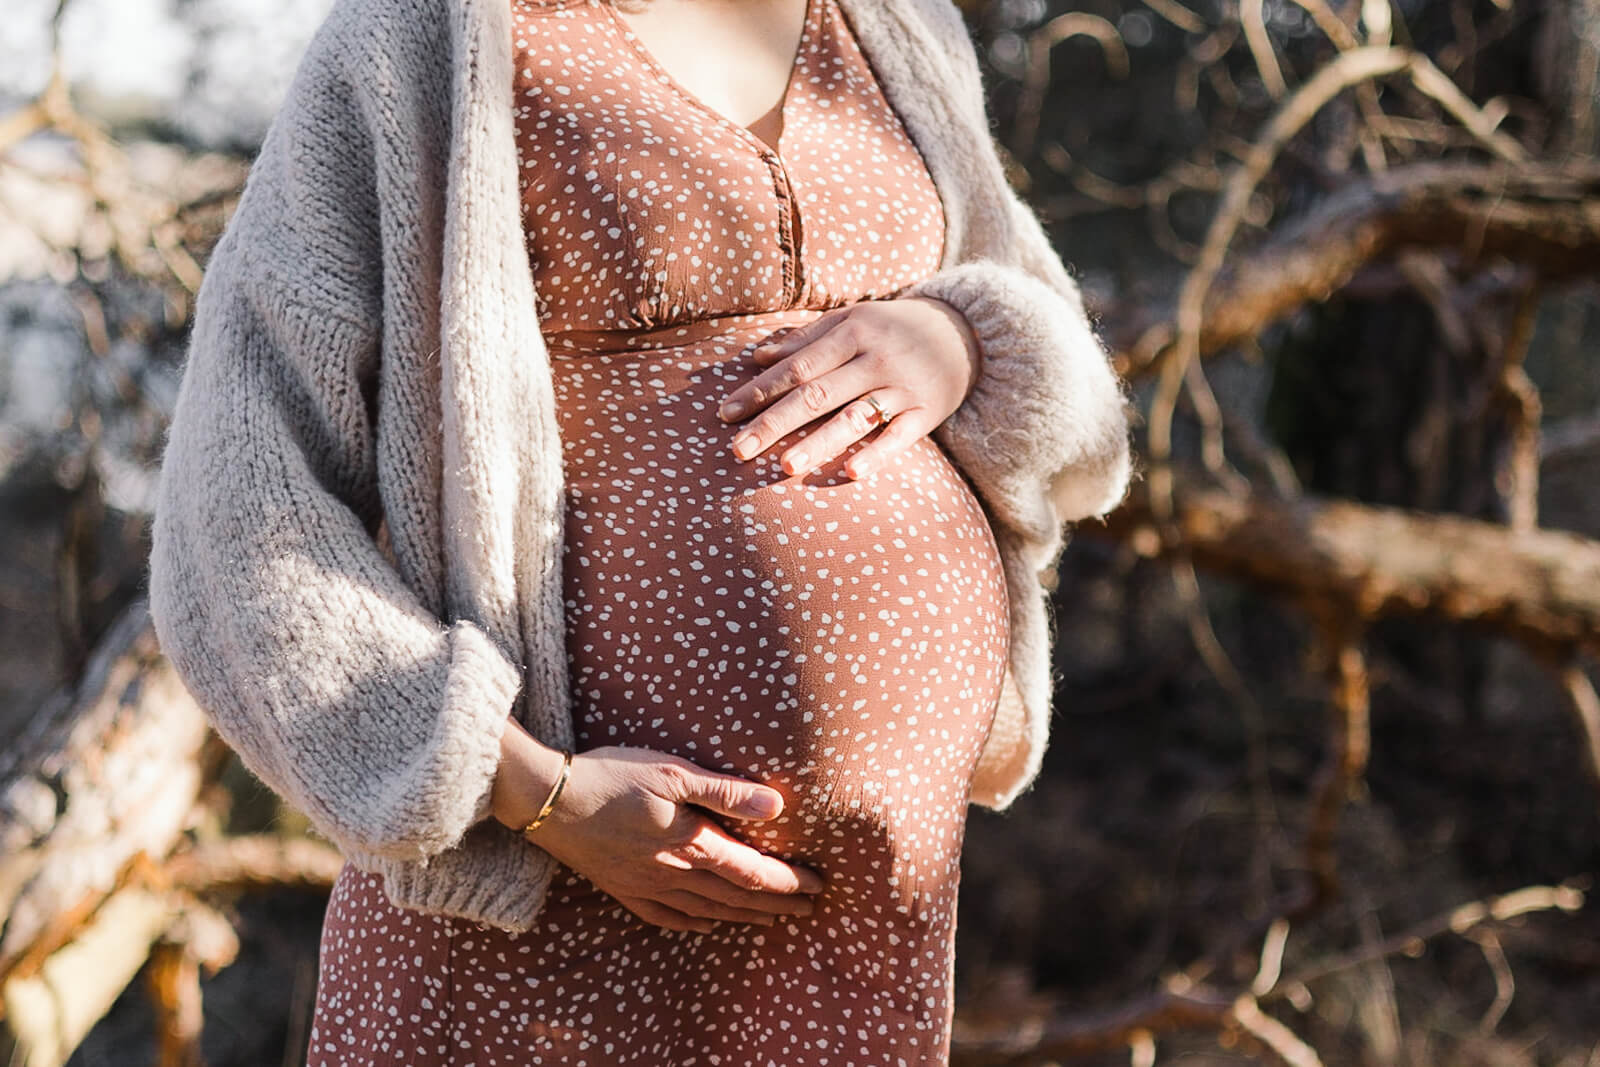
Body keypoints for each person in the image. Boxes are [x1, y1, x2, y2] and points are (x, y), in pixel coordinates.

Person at [147, 0, 1131, 1061]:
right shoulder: (429, 33)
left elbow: (1070, 386)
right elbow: (237, 504)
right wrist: (527, 788)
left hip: (852, 919)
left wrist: (959, 337)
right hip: (534, 904)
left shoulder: (892, 23)